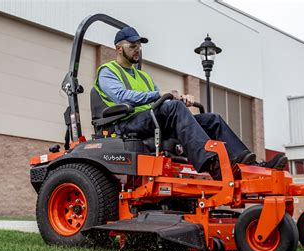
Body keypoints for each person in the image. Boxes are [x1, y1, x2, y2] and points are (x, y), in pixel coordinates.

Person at [93, 26, 286, 179]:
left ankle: (247, 163)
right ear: (119, 48)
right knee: (172, 107)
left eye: (139, 46)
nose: (138, 50)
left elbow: (158, 97)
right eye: (132, 46)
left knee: (212, 119)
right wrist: (163, 97)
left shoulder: (143, 76)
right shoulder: (107, 71)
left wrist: (181, 98)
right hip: (126, 122)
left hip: (150, 118)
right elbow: (121, 96)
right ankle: (210, 163)